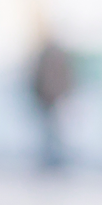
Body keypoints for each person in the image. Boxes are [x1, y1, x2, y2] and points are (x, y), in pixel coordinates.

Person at [28, 36, 76, 173]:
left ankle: (54, 159)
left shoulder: (47, 55)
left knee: (52, 131)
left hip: (49, 97)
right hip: (52, 96)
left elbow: (42, 77)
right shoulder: (56, 54)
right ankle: (53, 159)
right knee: (53, 131)